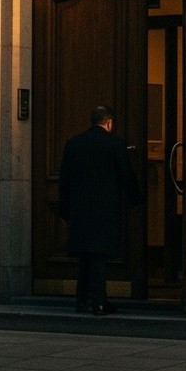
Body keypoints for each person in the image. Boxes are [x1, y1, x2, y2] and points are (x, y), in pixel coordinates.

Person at [58, 105, 141, 315]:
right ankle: (99, 301)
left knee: (84, 256)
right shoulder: (115, 144)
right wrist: (137, 200)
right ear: (109, 123)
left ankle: (81, 300)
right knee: (98, 256)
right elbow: (126, 176)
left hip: (79, 209)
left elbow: (64, 181)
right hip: (104, 209)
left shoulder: (73, 144)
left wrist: (64, 211)